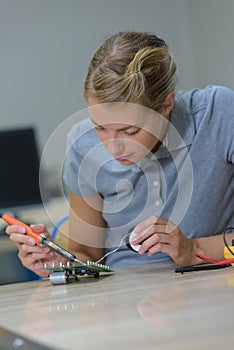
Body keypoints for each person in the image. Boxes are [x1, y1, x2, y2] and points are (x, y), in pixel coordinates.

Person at [6, 31, 234, 278]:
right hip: (121, 293)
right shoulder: (84, 145)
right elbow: (87, 255)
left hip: (211, 285)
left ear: (167, 105)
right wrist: (56, 262)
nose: (113, 148)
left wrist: (194, 249)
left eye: (130, 131)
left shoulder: (218, 114)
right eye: (100, 128)